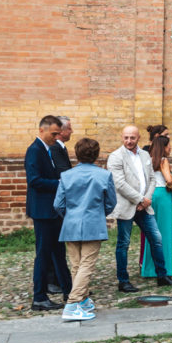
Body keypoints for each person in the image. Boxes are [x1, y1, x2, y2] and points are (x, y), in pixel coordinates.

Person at [107, 126, 172, 292]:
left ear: (138, 137)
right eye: (126, 137)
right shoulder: (116, 157)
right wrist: (139, 199)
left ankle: (162, 275)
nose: (129, 141)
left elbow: (152, 179)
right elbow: (119, 183)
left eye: (132, 137)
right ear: (121, 137)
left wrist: (146, 199)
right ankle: (123, 281)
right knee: (123, 243)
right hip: (127, 205)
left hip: (145, 206)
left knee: (156, 238)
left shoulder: (145, 155)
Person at [54, 138, 116, 322]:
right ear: (96, 155)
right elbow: (111, 203)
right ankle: (73, 303)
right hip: (92, 223)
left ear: (77, 154)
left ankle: (82, 300)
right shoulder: (104, 175)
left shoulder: (66, 175)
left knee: (77, 265)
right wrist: (98, 213)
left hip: (71, 223)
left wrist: (70, 215)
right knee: (87, 265)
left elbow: (58, 204)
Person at [25, 115, 72, 311]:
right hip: (43, 212)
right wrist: (60, 184)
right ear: (42, 130)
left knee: (59, 253)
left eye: (58, 133)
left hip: (53, 211)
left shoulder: (48, 150)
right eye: (53, 133)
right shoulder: (35, 151)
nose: (57, 136)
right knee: (43, 255)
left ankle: (70, 291)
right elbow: (34, 180)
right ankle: (39, 297)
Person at [140, 135, 172, 278]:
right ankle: (164, 268)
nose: (170, 148)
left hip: (151, 194)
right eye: (168, 145)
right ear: (163, 147)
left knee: (152, 234)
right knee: (165, 233)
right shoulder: (163, 161)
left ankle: (149, 269)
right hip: (163, 195)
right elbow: (169, 180)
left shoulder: (147, 160)